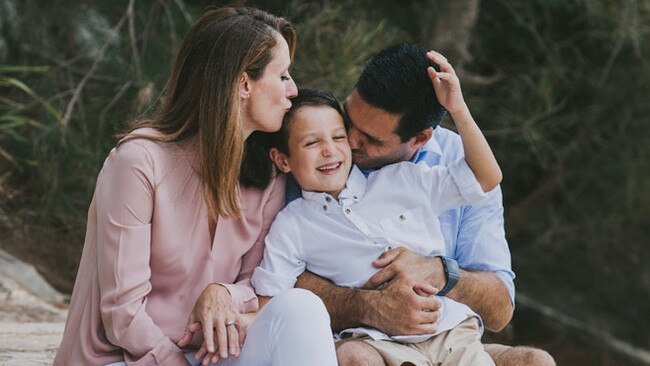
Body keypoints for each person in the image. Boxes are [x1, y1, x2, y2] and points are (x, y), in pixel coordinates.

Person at [53, 6, 337, 366]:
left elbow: (258, 282)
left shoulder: (266, 176)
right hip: (126, 358)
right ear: (243, 84)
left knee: (302, 308)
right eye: (281, 75)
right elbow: (122, 315)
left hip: (211, 355)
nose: (293, 90)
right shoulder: (139, 163)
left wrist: (222, 293)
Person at [294, 44, 556, 365]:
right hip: (364, 338)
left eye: (372, 140)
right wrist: (365, 306)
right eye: (349, 118)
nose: (348, 141)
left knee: (535, 361)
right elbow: (278, 274)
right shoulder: (318, 147)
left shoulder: (451, 166)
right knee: (356, 358)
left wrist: (439, 272)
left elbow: (500, 308)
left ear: (420, 138)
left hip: (443, 333)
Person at [251, 86, 502, 366]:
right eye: (312, 143)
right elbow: (271, 300)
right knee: (354, 358)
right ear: (282, 159)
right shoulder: (292, 224)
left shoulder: (403, 179)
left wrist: (458, 110)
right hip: (376, 340)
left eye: (338, 137)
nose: (329, 150)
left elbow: (486, 178)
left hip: (448, 330)